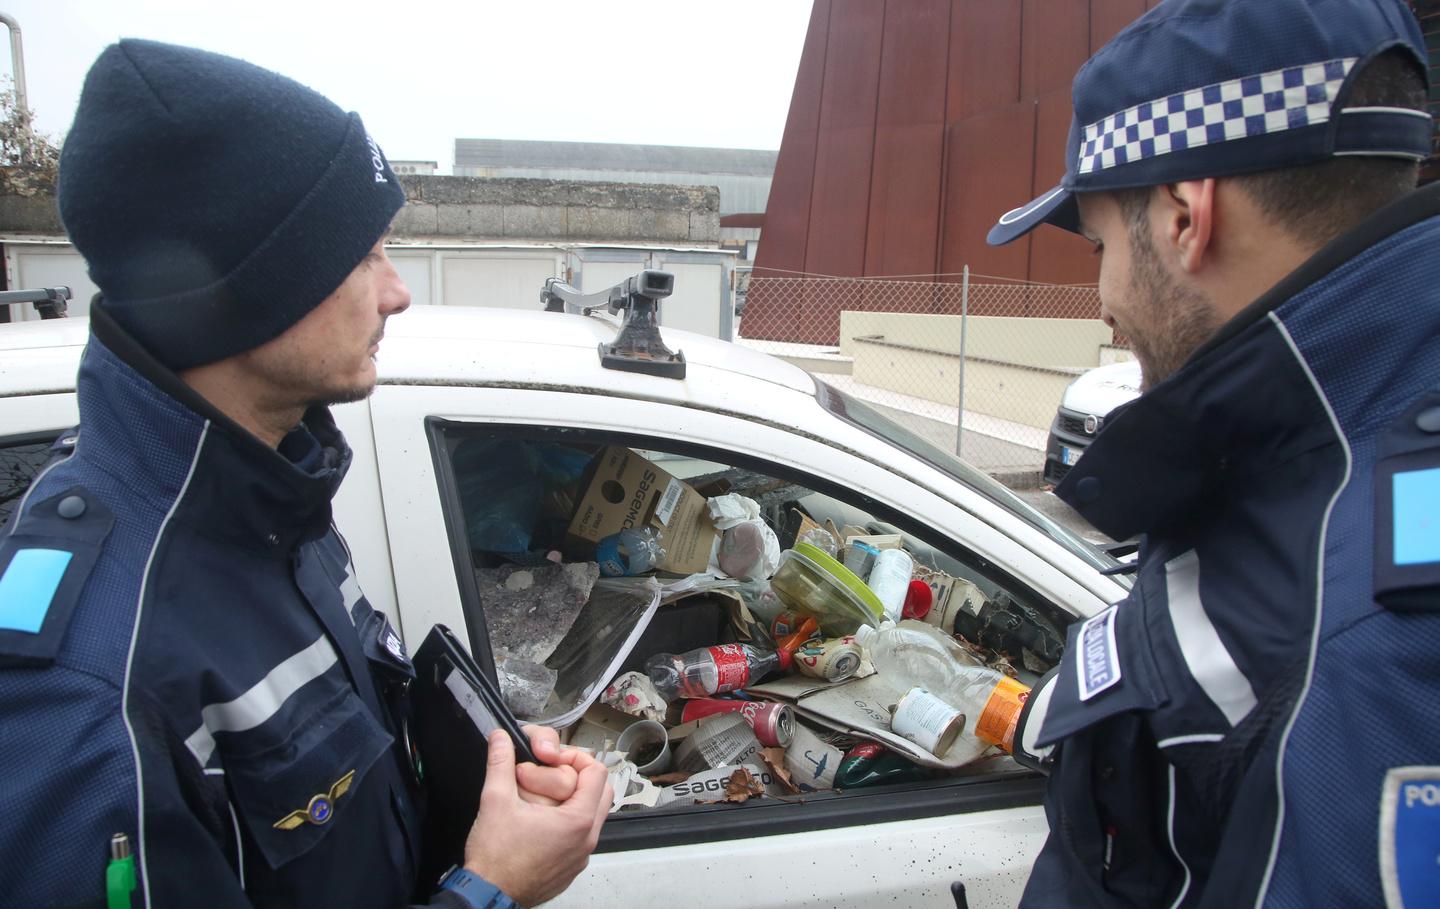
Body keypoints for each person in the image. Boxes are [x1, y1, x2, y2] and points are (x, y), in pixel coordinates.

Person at [0, 40, 610, 909]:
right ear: (247, 290)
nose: (397, 291)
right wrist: (493, 890)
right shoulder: (90, 694)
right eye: (361, 255)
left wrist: (487, 799)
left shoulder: (279, 504)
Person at [986, 0, 1439, 906]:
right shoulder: (1310, 480)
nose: (1102, 300)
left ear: (1186, 218)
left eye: (1105, 243)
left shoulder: (1350, 631)